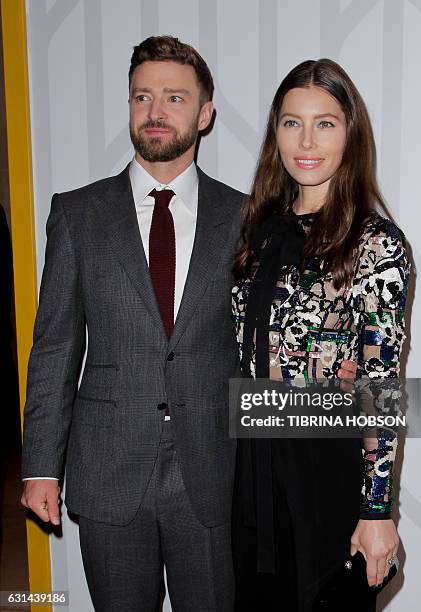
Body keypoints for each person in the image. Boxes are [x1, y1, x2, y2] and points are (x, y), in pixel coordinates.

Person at [20, 35, 244, 611]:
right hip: (108, 470)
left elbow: (257, 345)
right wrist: (40, 467)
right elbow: (55, 347)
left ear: (205, 113)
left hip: (211, 471)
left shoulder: (245, 217)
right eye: (142, 97)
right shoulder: (77, 213)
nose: (156, 111)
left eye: (174, 97)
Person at [231, 58, 410, 611]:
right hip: (249, 475)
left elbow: (380, 389)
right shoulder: (256, 234)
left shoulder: (376, 244)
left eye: (325, 123)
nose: (306, 140)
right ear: (275, 133)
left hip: (325, 472)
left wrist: (378, 512)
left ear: (350, 135)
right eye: (291, 122)